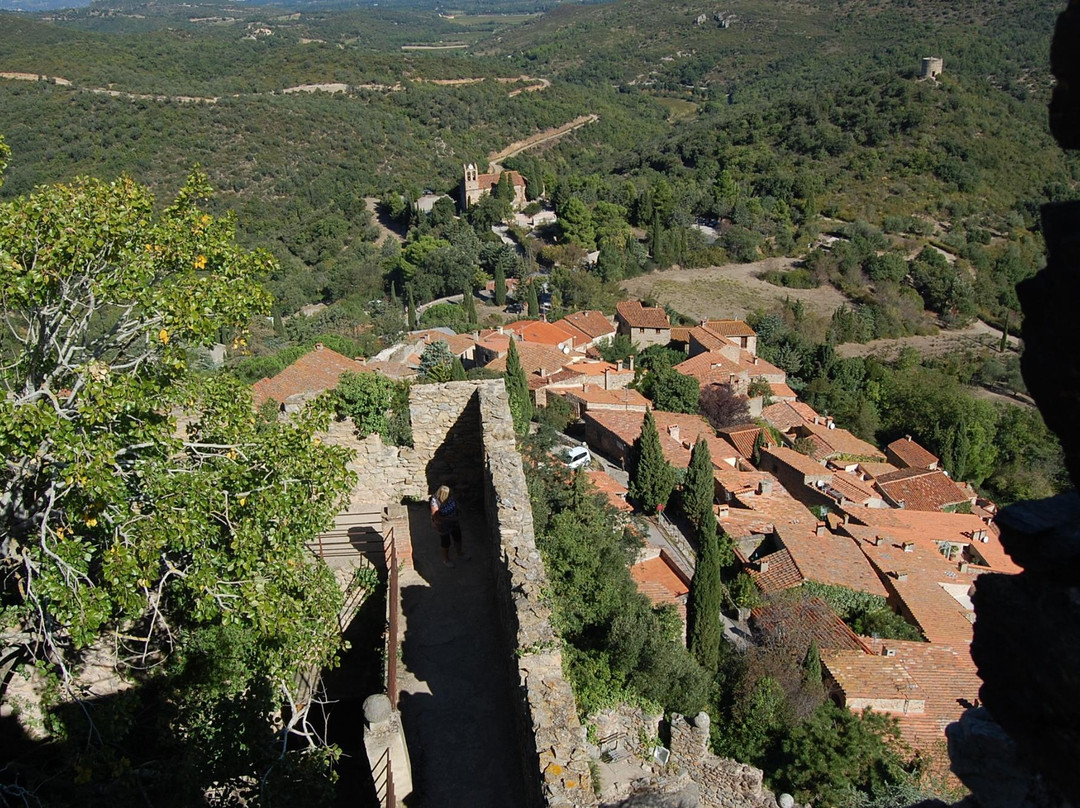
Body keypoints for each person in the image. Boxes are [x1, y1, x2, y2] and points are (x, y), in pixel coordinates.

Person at [430, 485, 469, 568]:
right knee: (446, 543)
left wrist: (458, 511)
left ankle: (459, 553)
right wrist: (450, 518)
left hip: (454, 522)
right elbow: (436, 517)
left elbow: (455, 503)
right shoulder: (435, 502)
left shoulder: (450, 497)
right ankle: (446, 559)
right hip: (443, 526)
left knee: (458, 538)